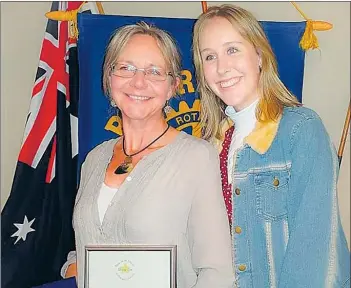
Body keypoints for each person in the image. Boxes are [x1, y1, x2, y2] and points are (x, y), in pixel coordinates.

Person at [60, 21, 235, 288]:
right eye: (126, 68)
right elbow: (90, 243)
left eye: (154, 72)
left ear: (172, 87)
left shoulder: (196, 158)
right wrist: (75, 265)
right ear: (109, 79)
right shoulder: (94, 159)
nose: (138, 82)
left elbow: (217, 272)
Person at [192, 4, 350, 287]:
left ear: (260, 55)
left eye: (232, 50)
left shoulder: (300, 130)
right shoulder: (210, 146)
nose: (222, 67)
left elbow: (314, 251)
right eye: (209, 56)